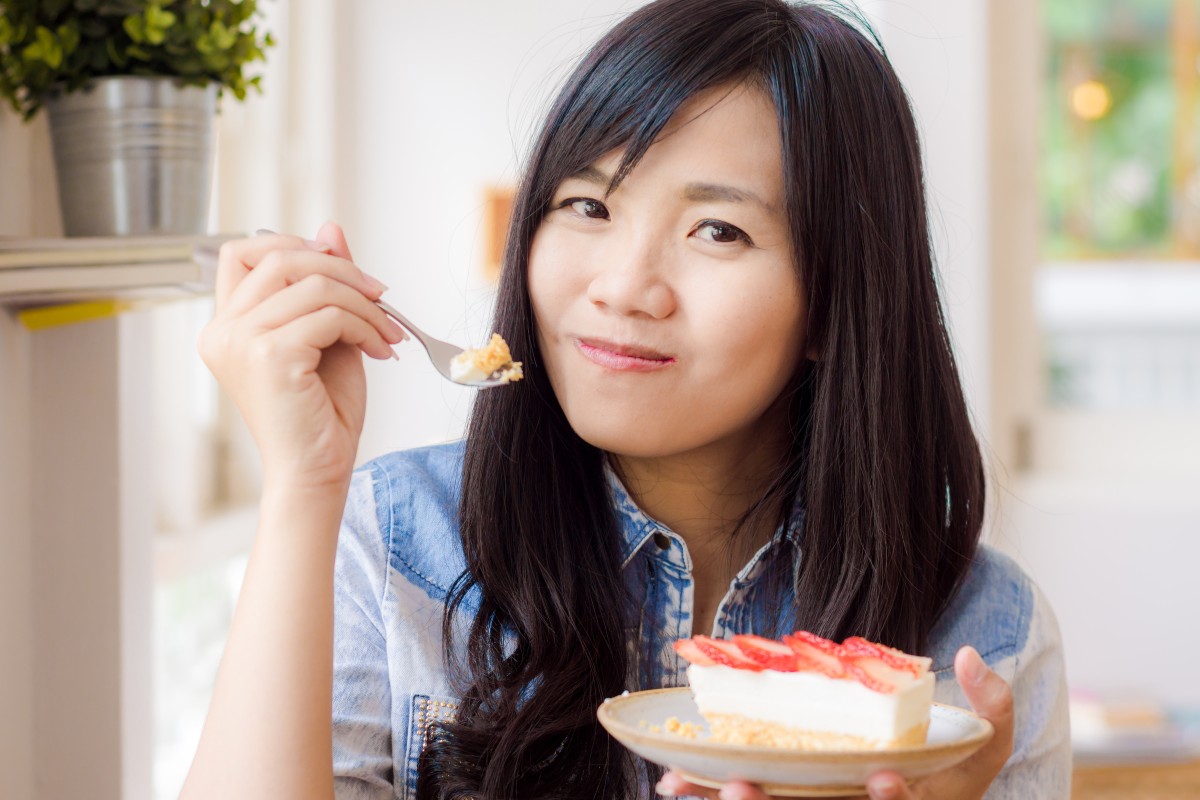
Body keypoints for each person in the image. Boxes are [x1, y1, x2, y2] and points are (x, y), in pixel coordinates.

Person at [180, 0, 1071, 798]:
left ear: (837, 303)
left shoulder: (979, 642)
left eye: (717, 230)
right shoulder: (393, 545)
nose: (623, 286)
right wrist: (302, 481)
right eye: (586, 206)